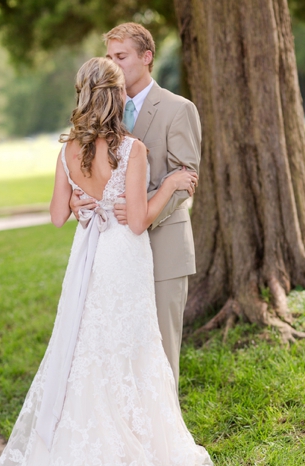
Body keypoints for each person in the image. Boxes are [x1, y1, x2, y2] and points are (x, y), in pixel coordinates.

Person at [0, 57, 218, 466]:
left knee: (90, 352)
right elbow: (138, 220)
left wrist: (87, 200)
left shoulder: (68, 150)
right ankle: (136, 448)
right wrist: (173, 182)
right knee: (131, 350)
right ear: (116, 96)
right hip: (123, 262)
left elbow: (57, 215)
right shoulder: (132, 149)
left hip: (87, 263)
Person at [71, 22, 201, 389]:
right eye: (109, 57)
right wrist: (74, 197)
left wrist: (143, 211)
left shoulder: (179, 109)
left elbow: (187, 178)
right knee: (121, 348)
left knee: (160, 349)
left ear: (146, 58)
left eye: (121, 56)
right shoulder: (101, 115)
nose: (112, 64)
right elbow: (84, 169)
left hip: (164, 247)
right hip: (115, 257)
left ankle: (166, 439)